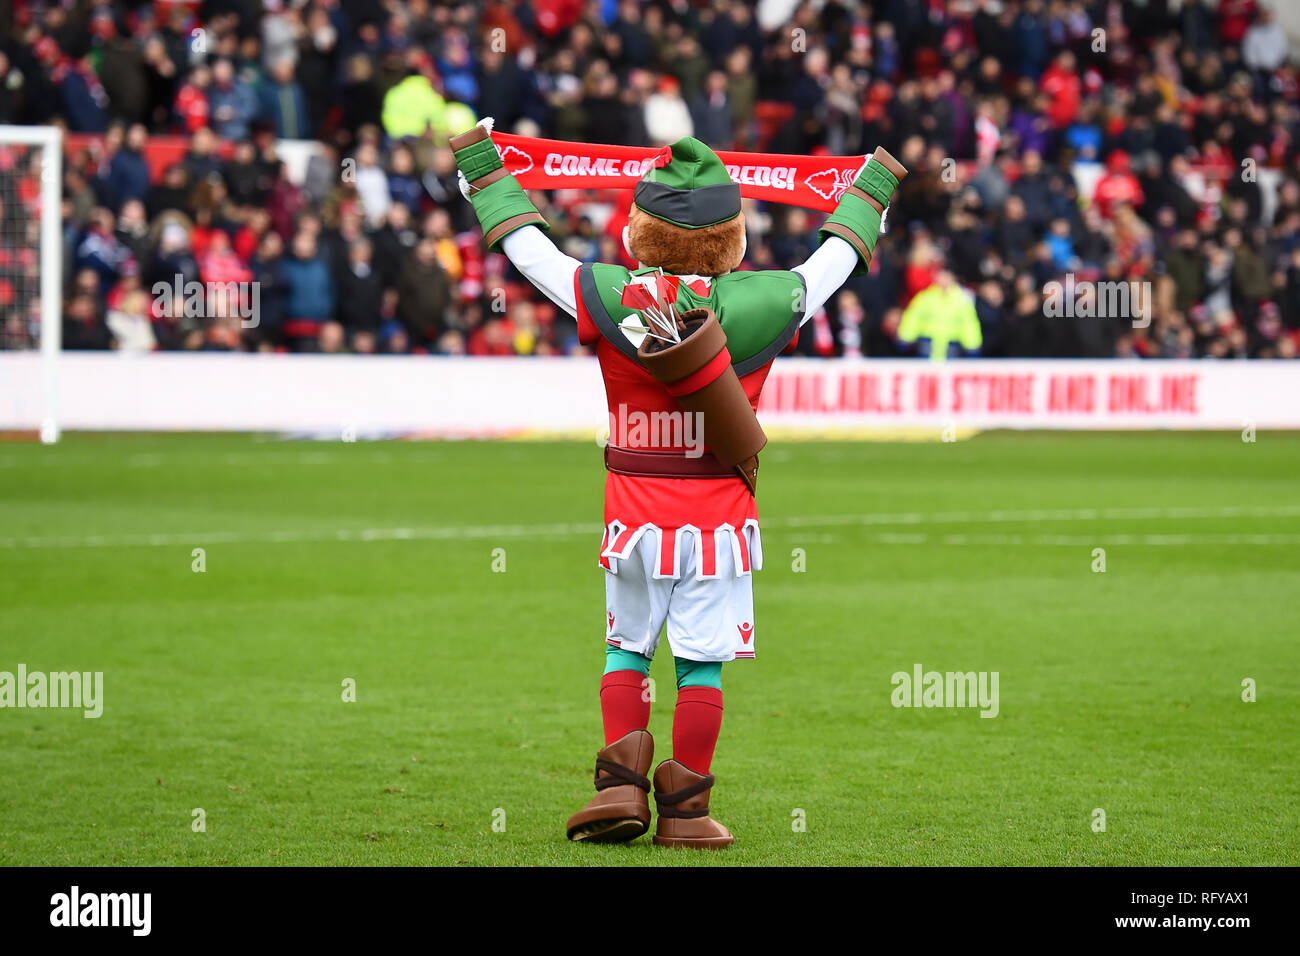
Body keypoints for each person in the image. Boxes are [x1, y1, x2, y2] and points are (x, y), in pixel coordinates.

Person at [452, 118, 904, 848]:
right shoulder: (770, 299)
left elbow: (527, 250)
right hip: (721, 520)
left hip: (632, 512)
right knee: (702, 665)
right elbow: (833, 261)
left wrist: (480, 165)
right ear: (734, 239)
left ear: (636, 232)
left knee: (625, 650)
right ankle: (686, 812)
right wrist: (873, 192)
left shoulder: (604, 292)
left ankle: (619, 790)